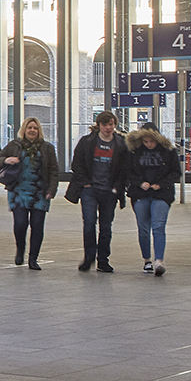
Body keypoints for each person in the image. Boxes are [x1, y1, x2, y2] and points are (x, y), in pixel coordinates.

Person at [68, 110, 129, 272]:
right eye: (105, 124)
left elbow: (125, 168)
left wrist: (117, 187)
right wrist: (86, 184)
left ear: (115, 125)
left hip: (110, 192)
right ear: (99, 125)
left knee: (106, 226)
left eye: (111, 124)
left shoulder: (121, 144)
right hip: (90, 190)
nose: (108, 128)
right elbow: (77, 164)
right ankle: (88, 258)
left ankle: (103, 259)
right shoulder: (87, 142)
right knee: (89, 223)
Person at [126, 124, 183, 275]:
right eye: (145, 142)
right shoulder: (134, 152)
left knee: (158, 226)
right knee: (143, 229)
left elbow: (176, 172)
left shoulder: (168, 151)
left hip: (161, 194)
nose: (149, 144)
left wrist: (161, 184)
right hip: (140, 194)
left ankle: (159, 261)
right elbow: (127, 172)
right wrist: (139, 183)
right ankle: (147, 260)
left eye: (151, 141)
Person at [3, 117, 60, 270]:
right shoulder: (14, 146)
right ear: (24, 130)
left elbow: (54, 170)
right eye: (30, 128)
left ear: (39, 131)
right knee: (20, 224)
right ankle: (20, 249)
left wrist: (52, 189)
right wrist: (6, 160)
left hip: (40, 193)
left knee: (37, 225)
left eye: (35, 128)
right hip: (18, 192)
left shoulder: (47, 148)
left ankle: (33, 258)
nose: (32, 130)